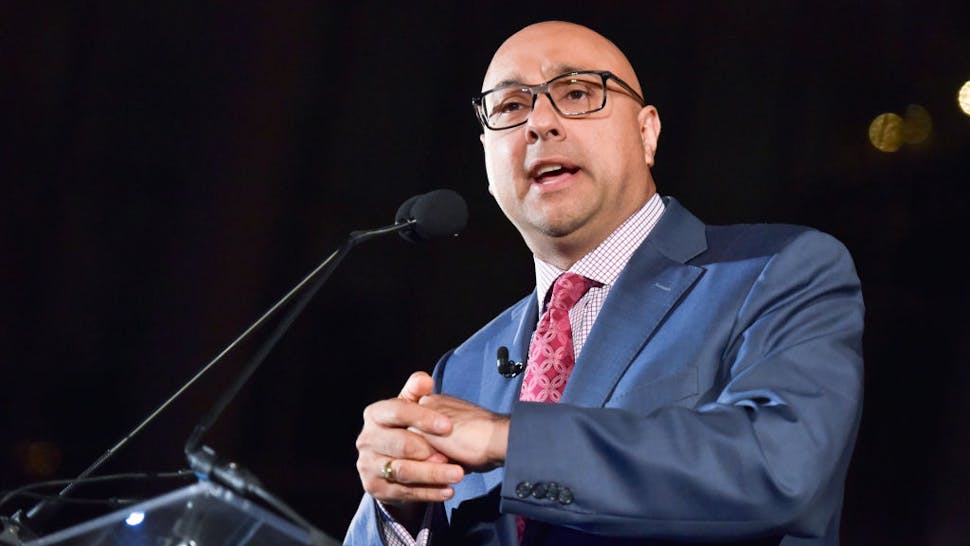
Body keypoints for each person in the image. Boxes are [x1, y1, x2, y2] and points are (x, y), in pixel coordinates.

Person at [344, 20, 864, 546]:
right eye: (510, 107)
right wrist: (401, 510)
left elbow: (780, 467)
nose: (539, 124)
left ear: (646, 133)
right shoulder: (463, 369)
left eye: (576, 92)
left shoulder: (778, 271)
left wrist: (510, 440)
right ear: (486, 159)